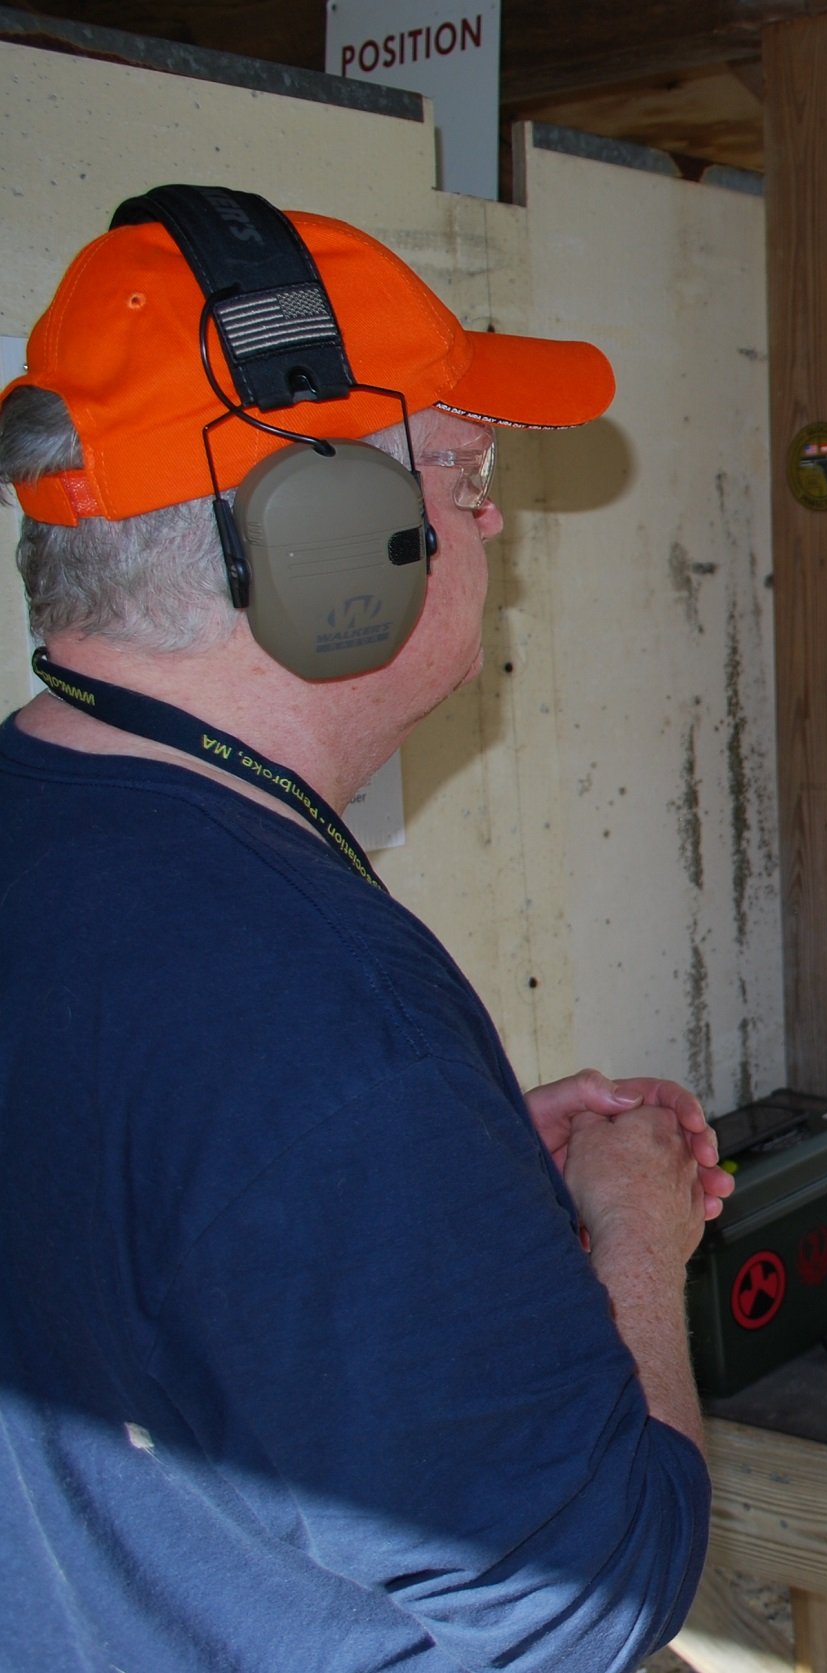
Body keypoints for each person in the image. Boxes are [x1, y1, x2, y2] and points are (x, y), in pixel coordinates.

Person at [0, 188, 731, 1671]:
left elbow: (140, 1228)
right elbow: (583, 1594)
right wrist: (636, 1242)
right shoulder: (320, 1019)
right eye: (463, 473)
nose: (493, 518)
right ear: (327, 534)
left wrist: (439, 1185)